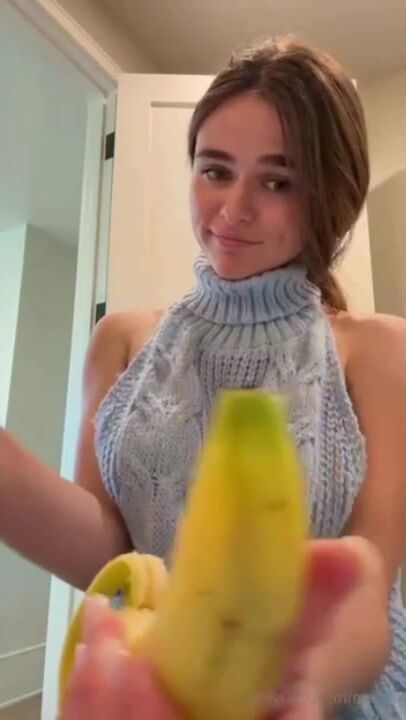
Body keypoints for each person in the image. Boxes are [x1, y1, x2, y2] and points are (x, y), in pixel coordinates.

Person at [1, 34, 405, 719]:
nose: (233, 208)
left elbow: (368, 590)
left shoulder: (381, 350)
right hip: (172, 688)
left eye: (278, 181)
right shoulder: (121, 340)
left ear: (329, 193)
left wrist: (297, 687)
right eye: (216, 170)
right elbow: (113, 560)